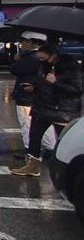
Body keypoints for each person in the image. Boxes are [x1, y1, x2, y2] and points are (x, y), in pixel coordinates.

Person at [12, 39, 82, 177]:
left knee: (64, 141)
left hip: (61, 111)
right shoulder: (45, 65)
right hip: (43, 107)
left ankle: (69, 170)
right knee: (34, 137)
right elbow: (43, 82)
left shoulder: (70, 67)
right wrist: (35, 87)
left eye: (43, 57)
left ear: (52, 54)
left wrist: (56, 82)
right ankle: (32, 166)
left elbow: (76, 90)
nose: (41, 60)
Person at [9, 31, 55, 160]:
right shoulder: (42, 57)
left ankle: (30, 150)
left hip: (27, 96)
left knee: (27, 123)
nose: (21, 43)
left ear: (35, 43)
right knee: (42, 124)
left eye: (25, 41)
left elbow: (15, 69)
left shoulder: (32, 57)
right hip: (38, 96)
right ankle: (51, 147)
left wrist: (19, 58)